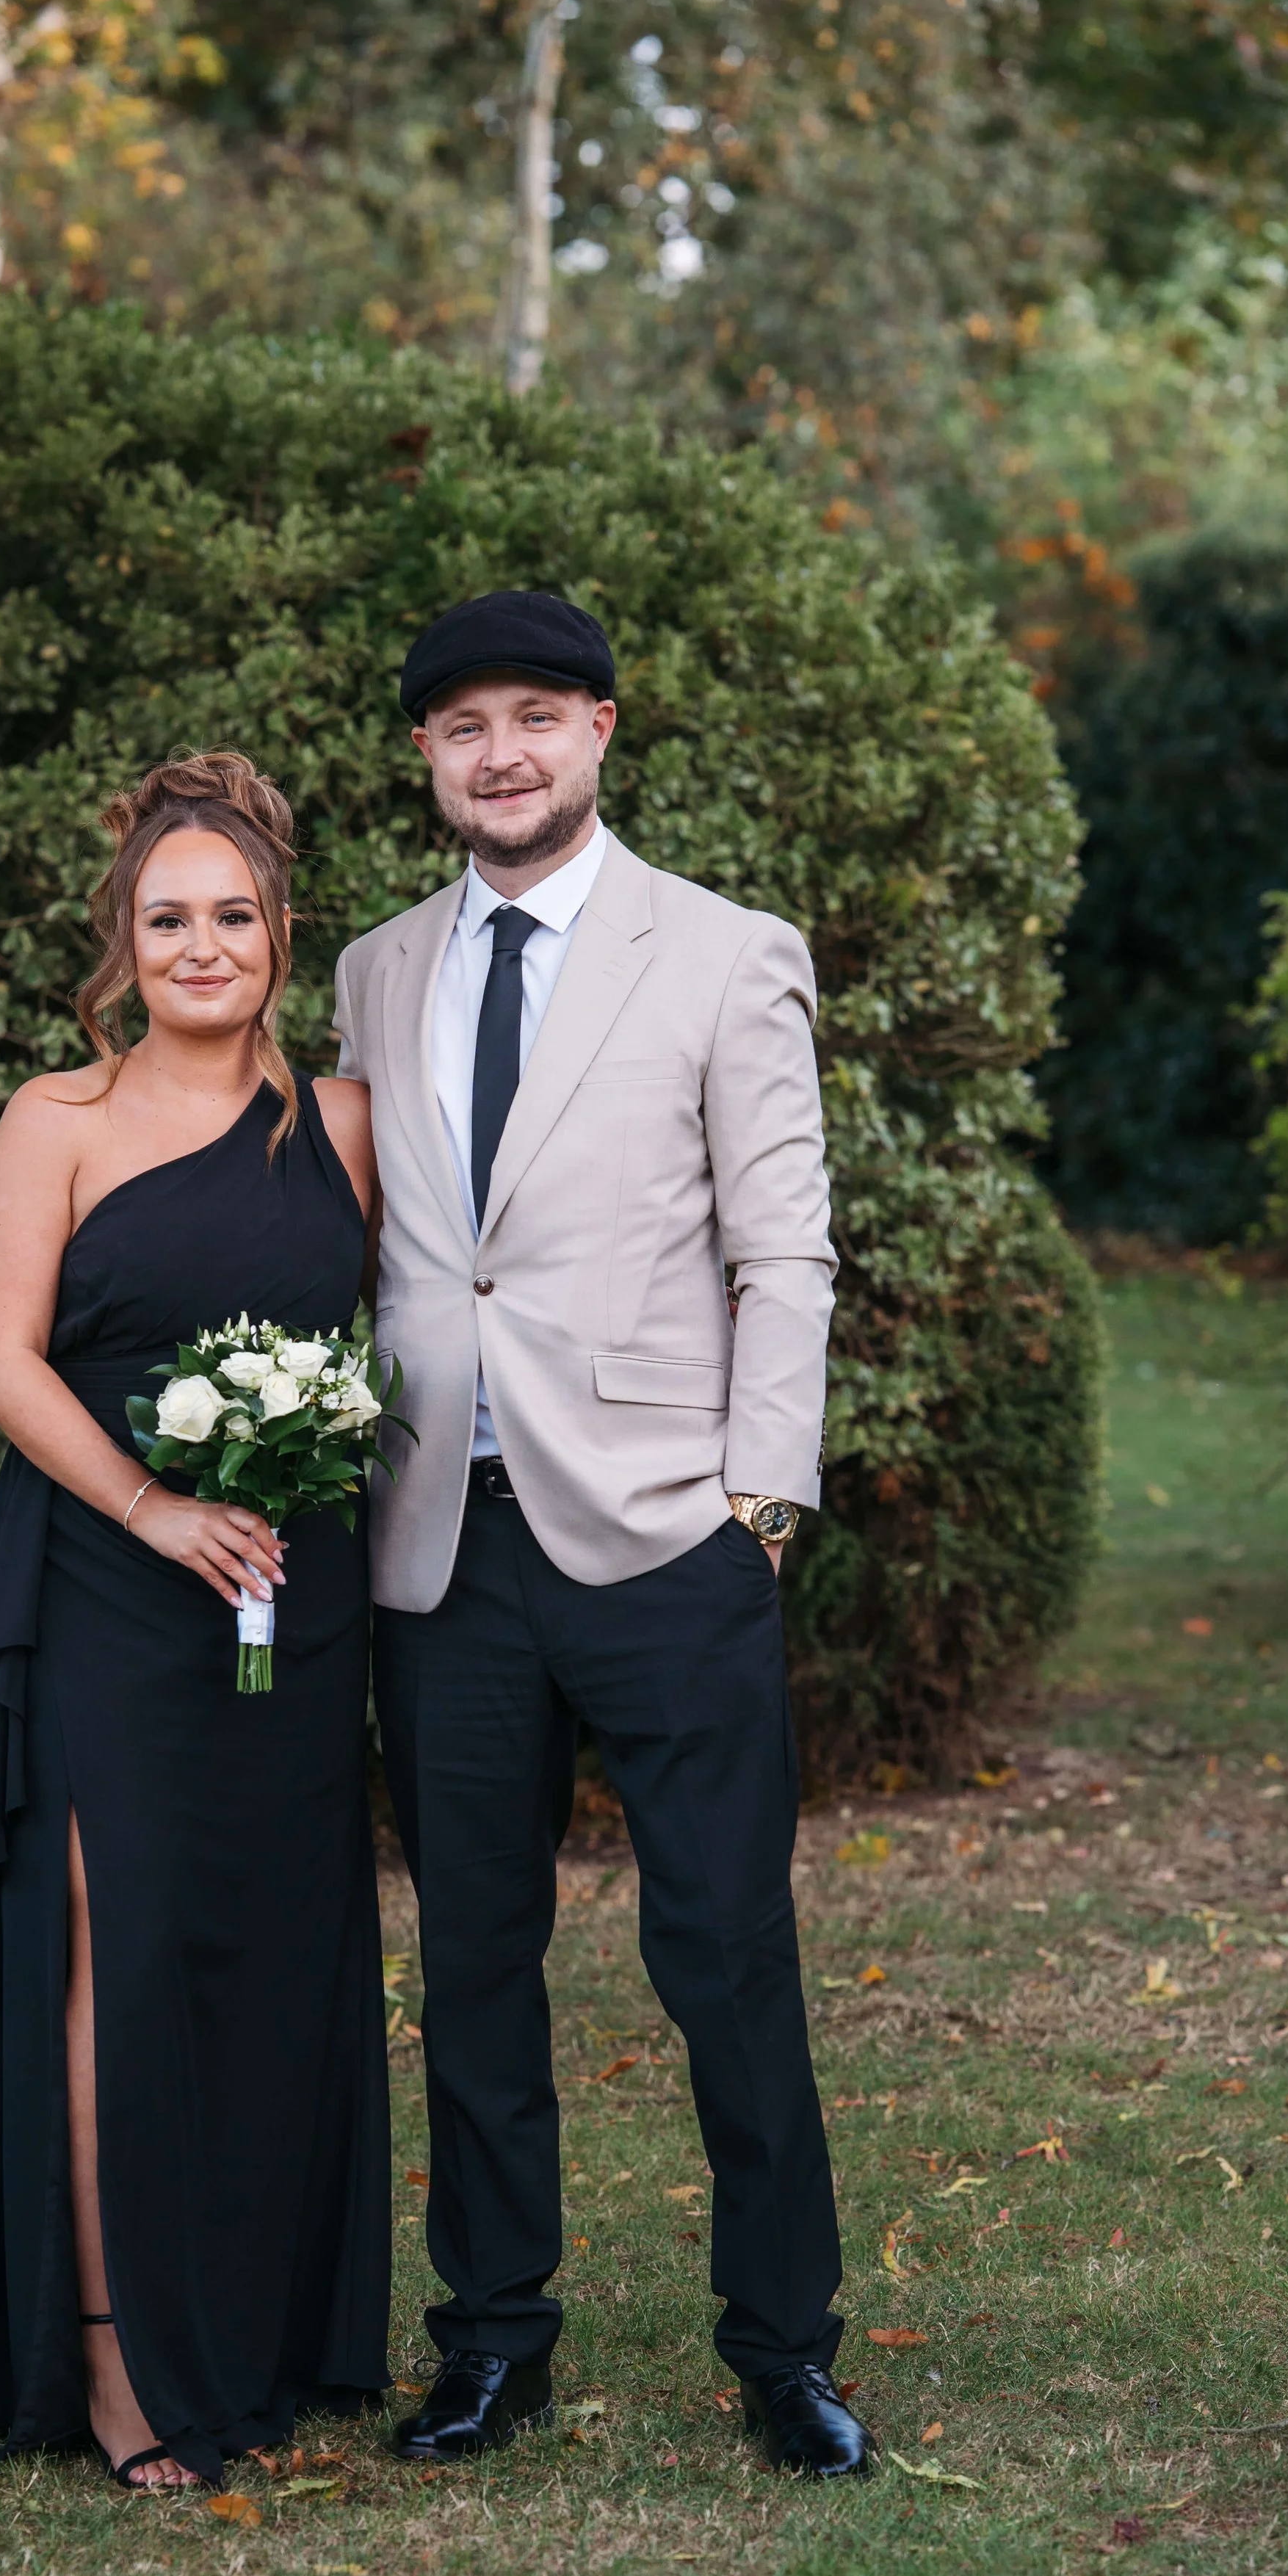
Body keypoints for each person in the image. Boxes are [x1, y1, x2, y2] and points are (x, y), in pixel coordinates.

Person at [333, 591, 870, 2481]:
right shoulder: (375, 970)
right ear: (425, 755)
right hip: (439, 1549)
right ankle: (490, 2341)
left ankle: (782, 2351)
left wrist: (759, 1500)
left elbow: (783, 1248)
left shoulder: (722, 953)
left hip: (666, 1541)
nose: (501, 753)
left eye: (536, 716)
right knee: (472, 1965)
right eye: (463, 724)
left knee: (724, 1953)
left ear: (599, 733)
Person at [0, 750, 391, 2491]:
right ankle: (113, 2359)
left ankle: (261, 2326)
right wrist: (150, 1507)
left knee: (277, 1949)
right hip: (111, 1587)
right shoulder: (56, 1121)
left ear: (280, 934)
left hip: (290, 1593)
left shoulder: (345, 1125)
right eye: (168, 918)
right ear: (123, 938)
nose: (202, 948)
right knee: (117, 1956)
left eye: (233, 917)